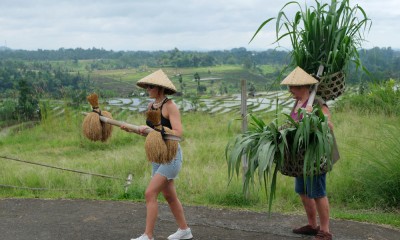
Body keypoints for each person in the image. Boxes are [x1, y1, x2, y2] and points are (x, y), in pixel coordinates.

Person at [121, 69, 193, 240]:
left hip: (171, 156)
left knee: (150, 193)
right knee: (169, 195)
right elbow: (152, 134)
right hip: (158, 156)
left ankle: (148, 235)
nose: (147, 89)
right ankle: (184, 230)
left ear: (160, 88)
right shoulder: (151, 107)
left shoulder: (170, 107)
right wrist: (134, 130)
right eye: (146, 86)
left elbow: (178, 134)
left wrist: (154, 129)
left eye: (150, 86)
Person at [280, 66, 337, 240]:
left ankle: (325, 231)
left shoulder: (317, 102)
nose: (290, 91)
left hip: (315, 156)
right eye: (289, 87)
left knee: (318, 192)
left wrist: (313, 117)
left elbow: (328, 125)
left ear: (304, 86)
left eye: (293, 87)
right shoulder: (296, 103)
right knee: (303, 191)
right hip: (300, 158)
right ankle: (312, 225)